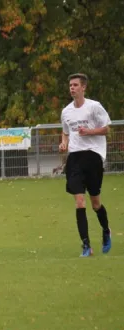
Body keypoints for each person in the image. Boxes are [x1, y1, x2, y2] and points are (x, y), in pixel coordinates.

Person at [59, 73, 112, 257]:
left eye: (75, 85)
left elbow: (107, 129)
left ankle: (106, 230)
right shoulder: (66, 111)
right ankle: (86, 245)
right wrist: (64, 143)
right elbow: (65, 132)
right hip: (74, 158)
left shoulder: (94, 107)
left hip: (93, 156)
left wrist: (89, 131)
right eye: (70, 85)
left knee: (95, 203)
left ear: (83, 87)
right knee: (79, 202)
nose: (72, 88)